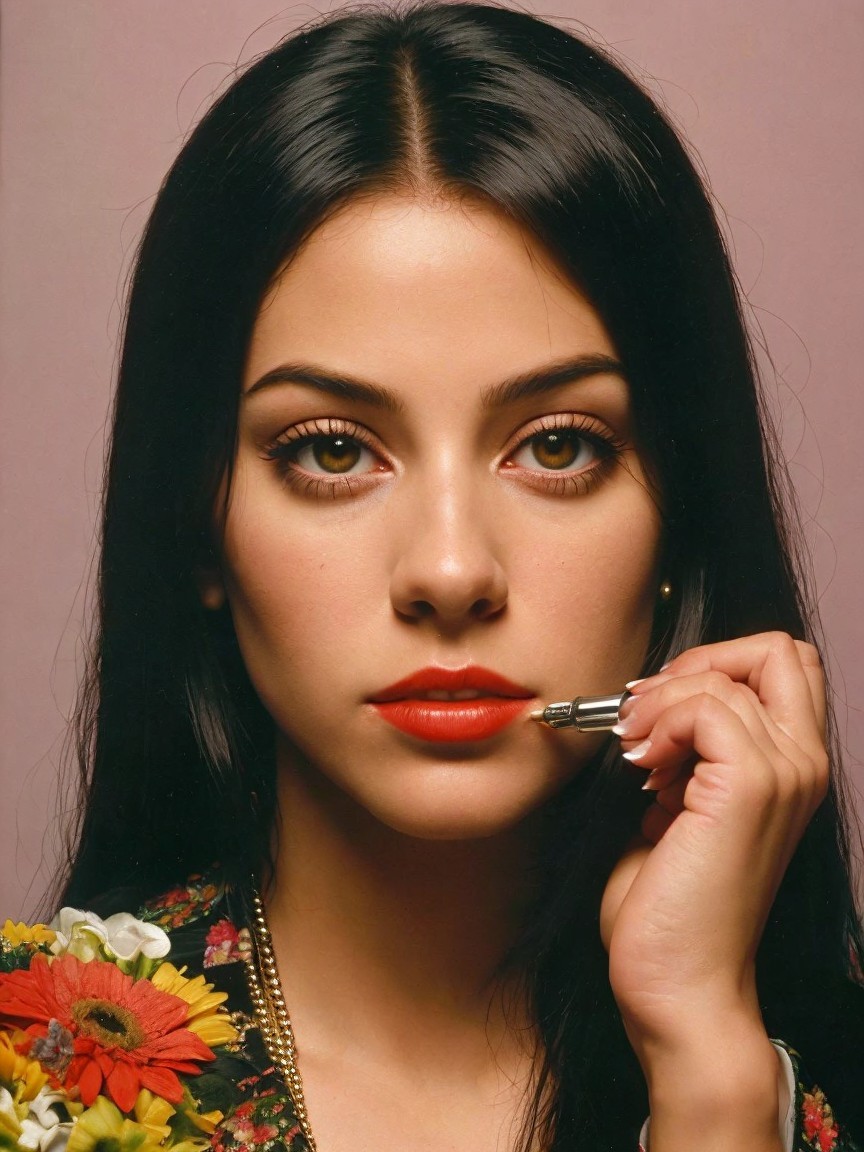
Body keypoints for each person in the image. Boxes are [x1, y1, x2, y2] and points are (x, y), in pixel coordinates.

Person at [1, 4, 861, 1151]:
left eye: (558, 446)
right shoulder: (29, 1077)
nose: (451, 572)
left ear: (682, 520)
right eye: (332, 451)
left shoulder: (800, 1077)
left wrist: (707, 1065)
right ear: (199, 529)